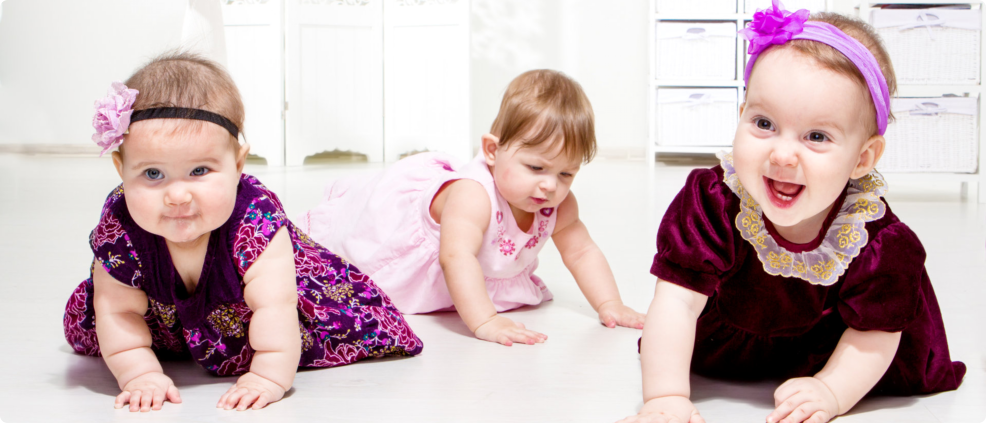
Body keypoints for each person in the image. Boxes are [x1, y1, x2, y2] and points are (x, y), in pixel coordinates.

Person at [623, 4, 965, 423]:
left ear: (863, 158)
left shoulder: (874, 239)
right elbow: (676, 303)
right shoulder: (715, 202)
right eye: (764, 123)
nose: (782, 154)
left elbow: (876, 329)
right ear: (741, 112)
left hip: (832, 348)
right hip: (728, 341)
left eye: (817, 136)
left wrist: (831, 390)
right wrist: (665, 395)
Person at [63, 52, 423, 413]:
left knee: (320, 321)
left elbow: (275, 307)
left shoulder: (254, 219)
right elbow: (116, 311)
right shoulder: (121, 224)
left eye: (200, 170)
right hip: (165, 322)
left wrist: (267, 375)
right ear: (120, 168)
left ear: (237, 163)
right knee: (99, 314)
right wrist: (138, 373)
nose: (177, 196)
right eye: (153, 174)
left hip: (262, 321)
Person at [298, 69, 645, 347]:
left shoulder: (559, 204)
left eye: (566, 173)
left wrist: (609, 304)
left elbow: (582, 252)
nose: (550, 185)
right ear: (492, 151)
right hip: (409, 243)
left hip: (471, 270)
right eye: (536, 168)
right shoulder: (473, 195)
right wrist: (485, 320)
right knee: (350, 245)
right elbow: (456, 258)